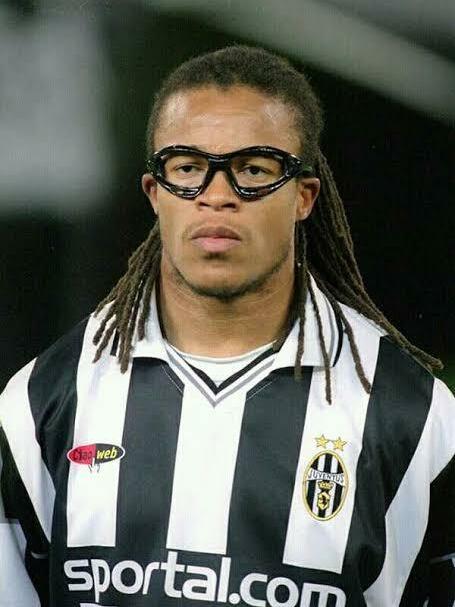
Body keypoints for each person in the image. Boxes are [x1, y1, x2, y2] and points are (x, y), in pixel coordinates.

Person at [0, 45, 453, 607]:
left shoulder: (413, 417)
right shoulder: (42, 402)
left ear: (304, 196)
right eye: (187, 168)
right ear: (155, 193)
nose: (217, 196)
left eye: (253, 170)